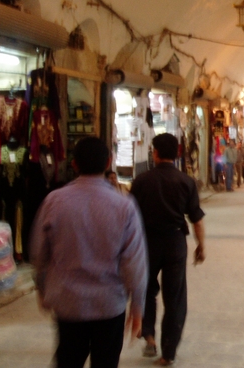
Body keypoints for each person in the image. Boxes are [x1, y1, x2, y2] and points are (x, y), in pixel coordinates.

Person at [31, 136, 148, 368]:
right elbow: (134, 262)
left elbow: (38, 252)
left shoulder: (54, 202)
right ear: (109, 162)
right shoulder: (124, 206)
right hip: (109, 305)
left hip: (68, 304)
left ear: (74, 164)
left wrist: (42, 289)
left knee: (68, 361)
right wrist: (137, 305)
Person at [130, 133, 206, 366]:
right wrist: (201, 245)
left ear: (155, 153)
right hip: (175, 242)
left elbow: (130, 217)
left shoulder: (141, 181)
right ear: (178, 153)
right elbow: (196, 219)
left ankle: (149, 337)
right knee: (175, 298)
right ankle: (168, 353)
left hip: (147, 243)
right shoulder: (186, 181)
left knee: (146, 290)